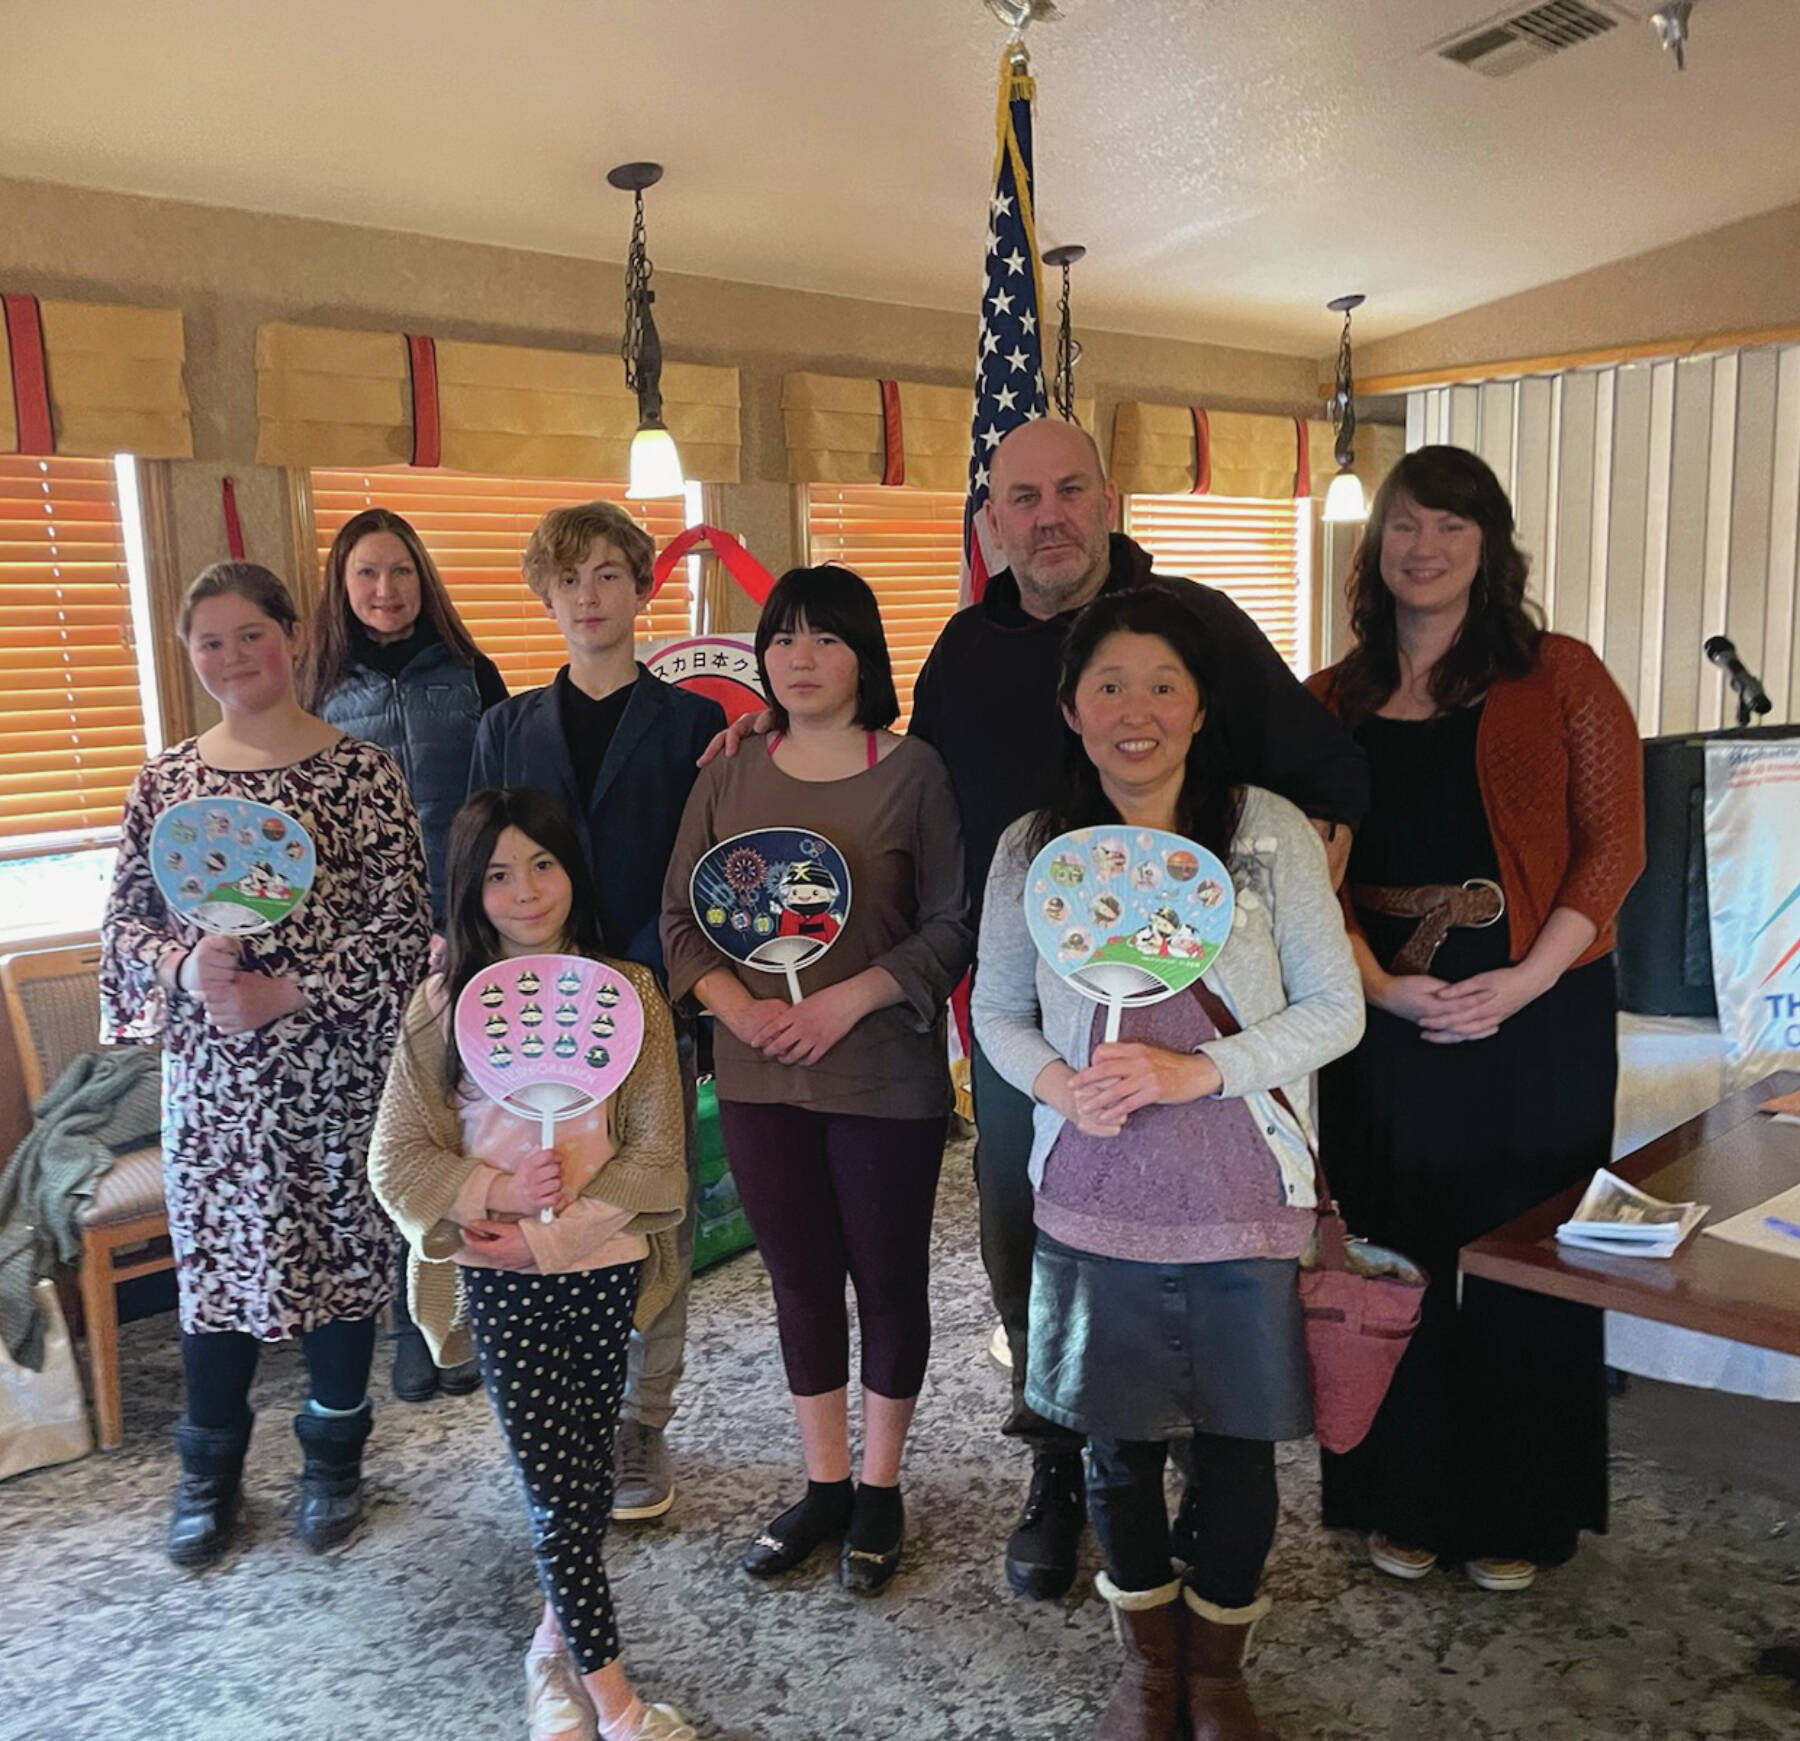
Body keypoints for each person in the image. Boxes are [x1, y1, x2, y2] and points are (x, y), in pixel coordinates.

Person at [913, 416, 1367, 1600]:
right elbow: (910, 788)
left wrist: (1283, 883)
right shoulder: (965, 654)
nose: (1048, 514)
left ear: (1108, 501)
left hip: (1223, 1068)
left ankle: (1209, 1539)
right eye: (1023, 496)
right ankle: (1059, 1461)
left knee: (1223, 1316)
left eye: (1071, 489)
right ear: (993, 519)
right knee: (1034, 1241)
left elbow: (1333, 781)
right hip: (1056, 1043)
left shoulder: (1203, 626)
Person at [974, 585, 1363, 1739]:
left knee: (1241, 1453)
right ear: (1071, 708)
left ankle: (1220, 1667)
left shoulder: (1265, 833)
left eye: (1161, 686)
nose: (1133, 710)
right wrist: (1058, 1083)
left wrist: (1208, 1071)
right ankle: (1149, 1668)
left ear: (1199, 708)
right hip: (1093, 1195)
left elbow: (1336, 1008)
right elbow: (995, 1010)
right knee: (1116, 1449)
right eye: (1108, 686)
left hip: (1244, 1192)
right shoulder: (1032, 850)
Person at [1308, 445, 1645, 1592]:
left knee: (1522, 1261)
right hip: (1378, 1021)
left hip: (1536, 1018)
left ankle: (1519, 1509)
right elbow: (1303, 875)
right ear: (1376, 545)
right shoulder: (1330, 699)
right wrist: (1381, 986)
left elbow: (1614, 846)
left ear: (1490, 547)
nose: (1425, 547)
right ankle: (1392, 1492)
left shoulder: (1563, 676)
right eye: (1405, 524)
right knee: (1388, 1251)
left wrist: (1526, 979)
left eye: (1452, 527)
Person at [100, 561, 432, 1566]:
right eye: (210, 641)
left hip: (329, 1071)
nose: (233, 657)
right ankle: (210, 1472)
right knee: (217, 1271)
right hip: (215, 1084)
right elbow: (122, 928)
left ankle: (334, 1457)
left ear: (290, 634)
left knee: (338, 1267)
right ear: (189, 654)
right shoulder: (165, 781)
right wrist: (186, 963)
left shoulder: (361, 772)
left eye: (251, 633)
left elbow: (403, 927)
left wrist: (289, 991)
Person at [662, 564, 971, 1594]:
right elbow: (680, 919)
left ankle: (881, 1491)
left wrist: (854, 997)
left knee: (885, 1281)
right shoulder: (728, 772)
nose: (800, 657)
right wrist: (735, 1007)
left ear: (864, 656)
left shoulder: (915, 769)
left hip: (883, 1074)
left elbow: (951, 923)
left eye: (826, 638)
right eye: (782, 637)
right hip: (756, 1077)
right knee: (797, 1284)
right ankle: (824, 1483)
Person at [369, 788, 695, 1741]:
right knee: (558, 1492)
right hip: (498, 1276)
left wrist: (552, 1230)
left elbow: (658, 1157)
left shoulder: (626, 993)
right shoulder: (441, 1007)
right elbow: (399, 1157)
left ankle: (547, 1652)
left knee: (584, 1476)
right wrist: (496, 1194)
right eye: (499, 873)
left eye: (543, 864)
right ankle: (615, 1699)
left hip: (600, 1266)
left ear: (573, 871)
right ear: (469, 890)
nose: (525, 890)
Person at [471, 501, 725, 1521]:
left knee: (653, 1206)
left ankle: (641, 1418)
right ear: (546, 594)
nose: (589, 595)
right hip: (536, 1014)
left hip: (653, 999)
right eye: (569, 577)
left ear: (642, 588)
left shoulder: (695, 725)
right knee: (550, 1196)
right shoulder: (505, 728)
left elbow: (709, 871)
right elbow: (480, 868)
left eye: (610, 574)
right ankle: (566, 1408)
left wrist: (664, 982)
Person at [301, 505, 506, 1404]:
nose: (386, 590)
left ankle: (459, 1309)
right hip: (363, 951)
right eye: (367, 574)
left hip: (467, 938)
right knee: (392, 1133)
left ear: (424, 581)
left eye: (401, 572)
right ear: (343, 589)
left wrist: (472, 922)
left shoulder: (471, 674)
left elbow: (501, 807)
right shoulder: (314, 688)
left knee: (467, 1124)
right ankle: (405, 1325)